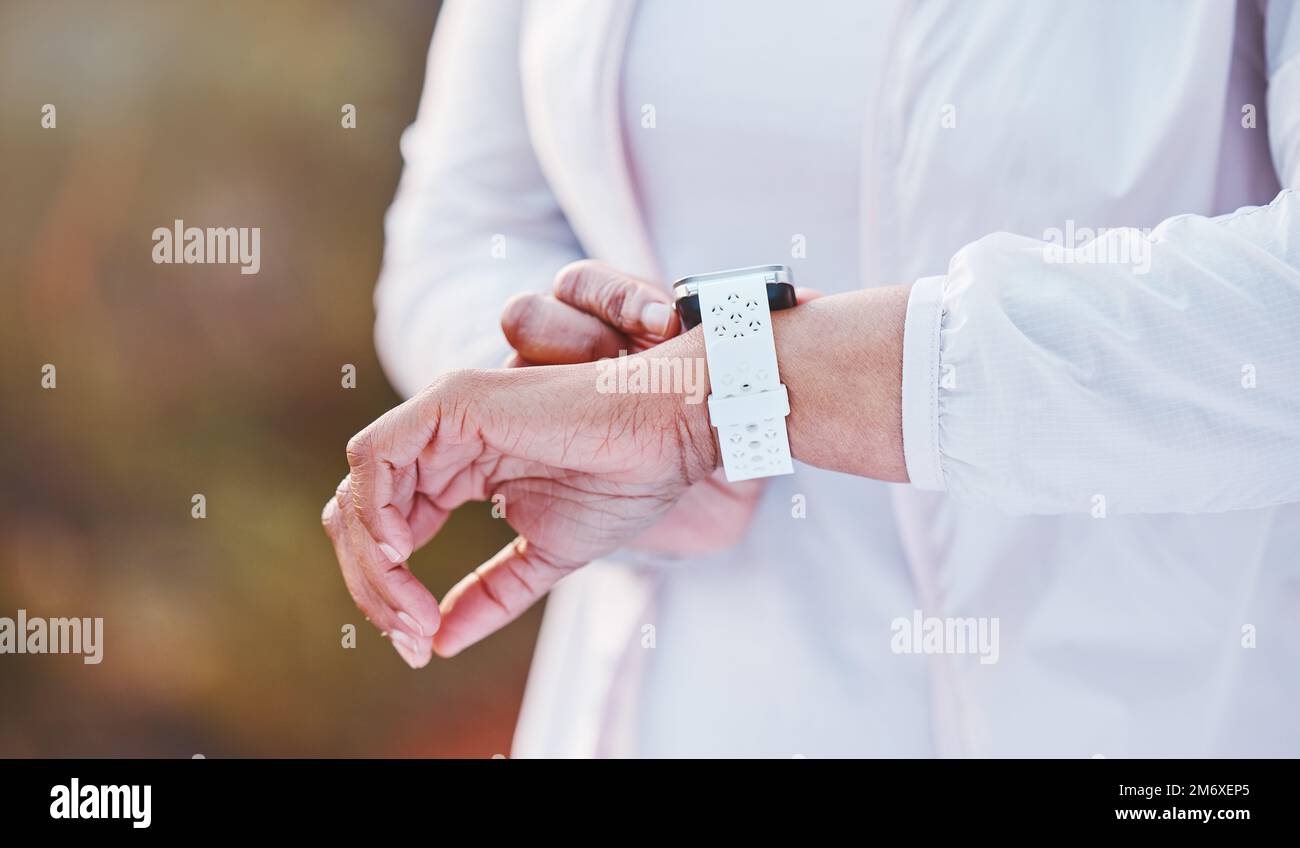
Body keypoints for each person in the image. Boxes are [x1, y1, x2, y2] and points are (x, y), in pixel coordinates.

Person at [322, 0, 1300, 756]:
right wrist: (577, 397)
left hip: (1150, 710)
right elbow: (457, 230)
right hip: (669, 710)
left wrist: (724, 390)